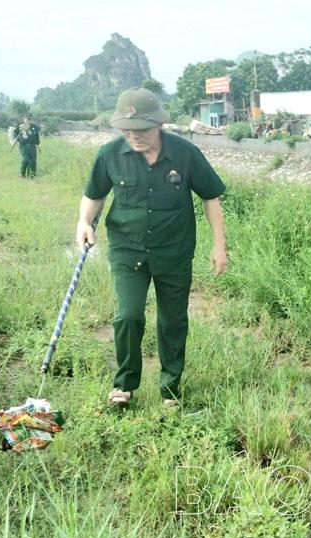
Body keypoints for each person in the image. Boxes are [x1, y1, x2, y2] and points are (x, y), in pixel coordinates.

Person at [74, 88, 228, 409]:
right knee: (129, 316)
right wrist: (85, 222)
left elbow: (210, 197)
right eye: (128, 130)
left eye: (142, 130)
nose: (135, 136)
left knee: (172, 320)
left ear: (159, 124)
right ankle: (125, 384)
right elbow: (95, 194)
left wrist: (219, 246)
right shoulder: (109, 155)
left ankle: (170, 388)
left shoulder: (185, 154)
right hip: (128, 251)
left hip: (174, 252)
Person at [15, 113, 41, 177]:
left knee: (33, 160)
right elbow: (15, 134)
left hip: (32, 146)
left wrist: (38, 145)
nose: (29, 120)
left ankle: (33, 173)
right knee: (25, 159)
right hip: (24, 146)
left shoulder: (34, 127)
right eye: (27, 119)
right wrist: (19, 140)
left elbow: (37, 136)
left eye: (30, 119)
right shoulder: (20, 126)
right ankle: (22, 173)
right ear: (24, 119)